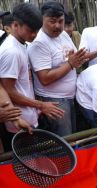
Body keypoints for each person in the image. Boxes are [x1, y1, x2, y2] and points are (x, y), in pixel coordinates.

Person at [0, 3, 64, 151]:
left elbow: (22, 85)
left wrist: (36, 108)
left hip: (27, 116)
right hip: (18, 122)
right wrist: (40, 105)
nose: (35, 35)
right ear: (15, 25)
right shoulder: (11, 52)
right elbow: (8, 91)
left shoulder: (22, 45)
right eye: (31, 30)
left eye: (37, 30)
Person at [28, 1, 87, 136]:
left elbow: (73, 57)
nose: (58, 26)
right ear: (41, 20)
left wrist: (82, 57)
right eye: (52, 21)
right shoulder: (39, 43)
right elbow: (45, 78)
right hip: (54, 101)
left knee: (72, 135)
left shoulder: (64, 34)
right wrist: (70, 64)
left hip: (70, 96)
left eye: (61, 21)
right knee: (64, 139)